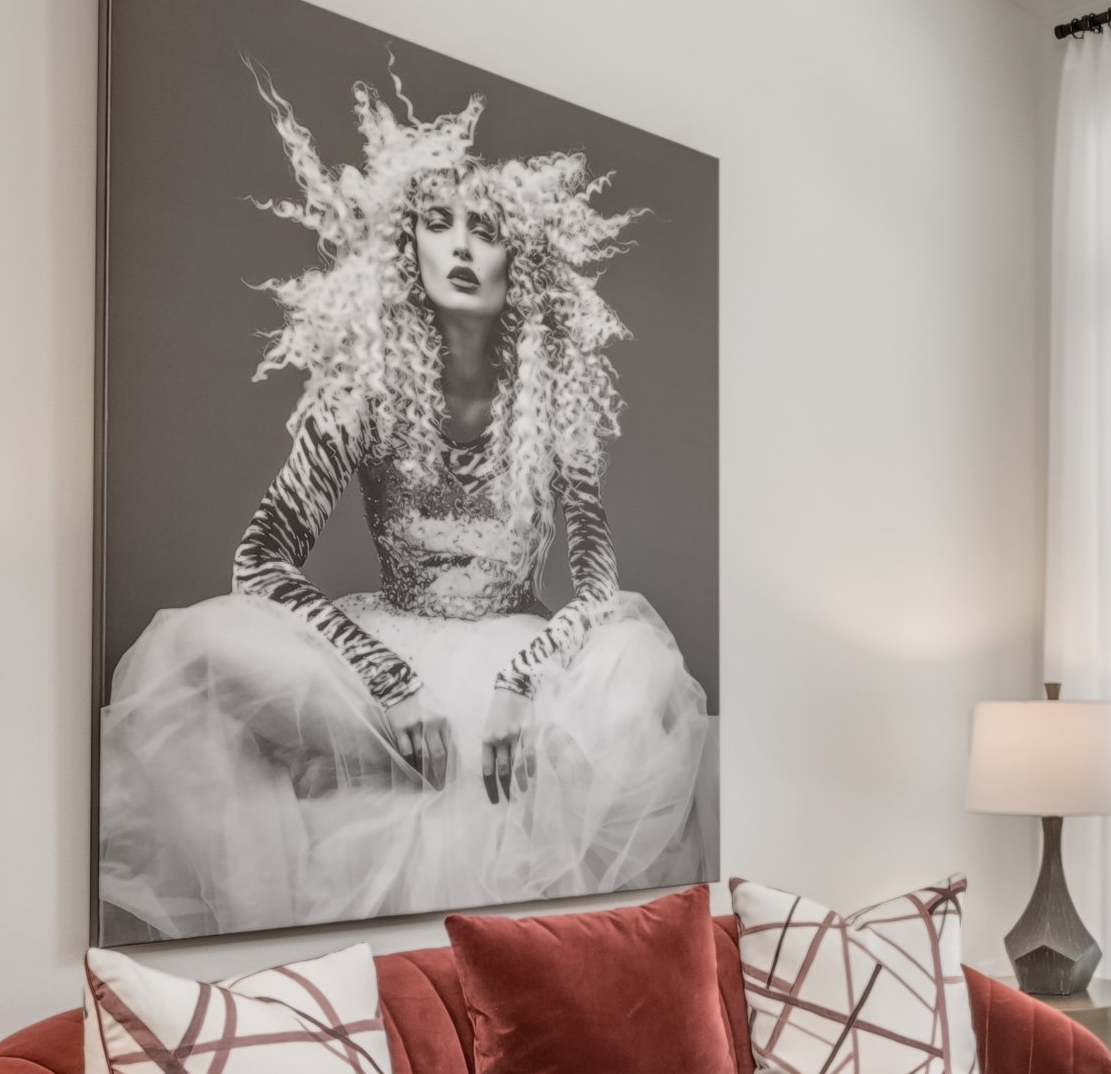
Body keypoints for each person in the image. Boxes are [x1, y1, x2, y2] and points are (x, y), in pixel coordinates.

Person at [99, 75, 709, 936]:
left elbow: (600, 583)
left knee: (639, 665)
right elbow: (260, 558)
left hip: (517, 651)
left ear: (520, 261)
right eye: (436, 222)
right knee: (195, 645)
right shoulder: (365, 390)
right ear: (406, 246)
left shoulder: (552, 399)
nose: (460, 246)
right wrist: (387, 683)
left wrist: (524, 680)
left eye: (485, 229)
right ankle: (369, 779)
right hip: (385, 652)